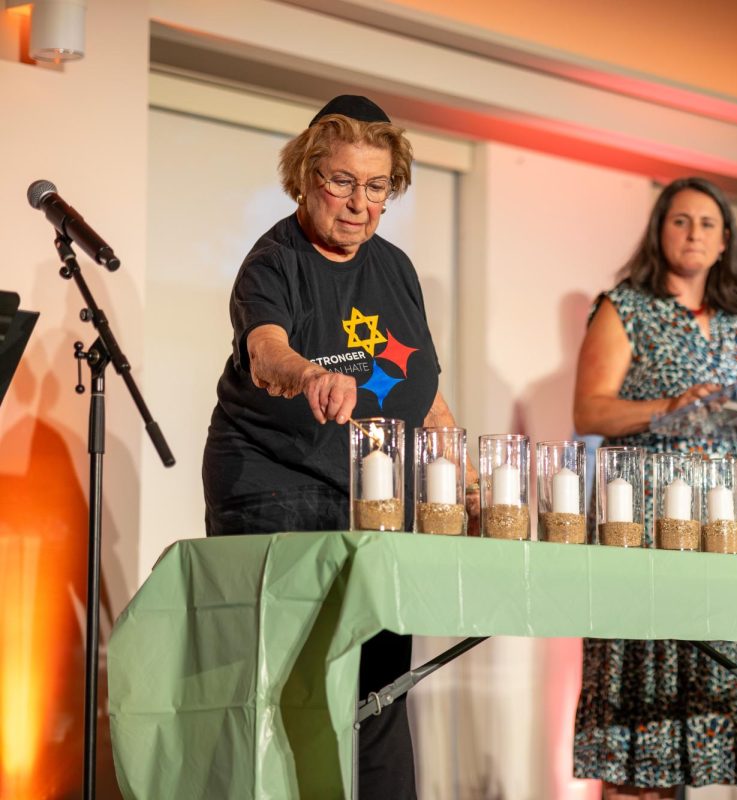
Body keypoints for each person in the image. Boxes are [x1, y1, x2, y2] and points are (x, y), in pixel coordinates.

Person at [201, 95, 476, 799]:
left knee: (382, 687)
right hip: (274, 487)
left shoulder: (395, 268)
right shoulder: (274, 260)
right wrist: (308, 373)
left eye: (377, 186)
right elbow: (265, 352)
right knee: (284, 689)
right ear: (305, 177)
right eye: (342, 182)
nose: (359, 203)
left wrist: (464, 472)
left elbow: (427, 391)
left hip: (375, 496)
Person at [571, 177, 737, 797]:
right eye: (681, 220)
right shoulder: (624, 306)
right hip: (643, 513)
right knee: (643, 680)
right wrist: (669, 406)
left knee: (707, 673)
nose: (694, 233)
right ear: (660, 232)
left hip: (719, 519)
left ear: (725, 242)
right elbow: (589, 412)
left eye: (707, 224)